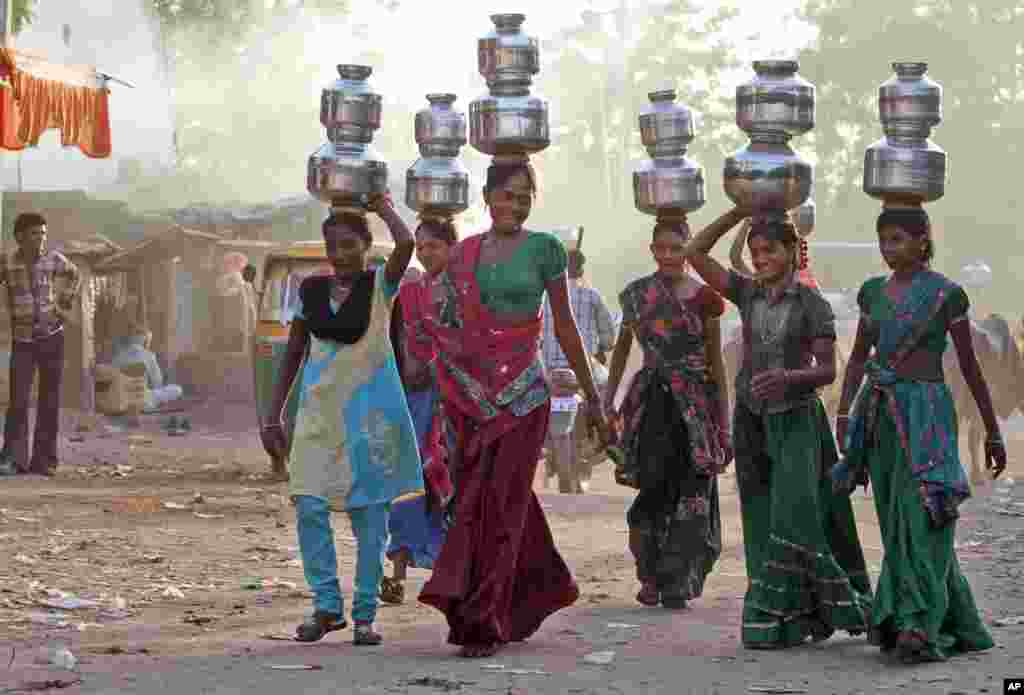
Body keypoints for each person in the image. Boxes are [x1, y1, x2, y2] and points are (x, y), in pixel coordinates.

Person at [418, 159, 609, 658]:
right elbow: (443, 324)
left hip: (525, 397)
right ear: (487, 197)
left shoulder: (546, 250)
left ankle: (483, 621)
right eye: (508, 193)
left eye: (525, 195)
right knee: (478, 504)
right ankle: (532, 593)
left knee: (503, 506)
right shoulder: (463, 255)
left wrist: (593, 393)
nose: (516, 203)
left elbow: (565, 326)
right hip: (472, 401)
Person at [684, 207, 872, 649]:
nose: (760, 258)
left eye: (770, 250)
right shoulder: (748, 294)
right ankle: (780, 622)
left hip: (796, 420)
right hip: (751, 419)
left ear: (792, 251)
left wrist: (788, 377)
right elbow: (695, 251)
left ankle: (830, 609)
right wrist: (741, 210)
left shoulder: (812, 303)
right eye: (755, 251)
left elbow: (827, 370)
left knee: (797, 518)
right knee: (761, 517)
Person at [833, 206, 1004, 664]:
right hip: (881, 418)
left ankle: (917, 625)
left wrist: (992, 430)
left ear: (923, 241)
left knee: (925, 515)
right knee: (896, 522)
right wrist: (846, 411)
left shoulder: (947, 295)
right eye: (885, 241)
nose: (891, 250)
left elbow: (969, 367)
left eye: (899, 240)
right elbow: (855, 359)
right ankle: (936, 617)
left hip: (927, 415)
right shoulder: (872, 294)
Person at [260, 194, 421, 646]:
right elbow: (293, 354)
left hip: (371, 420)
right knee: (309, 506)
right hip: (318, 416)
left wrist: (383, 206)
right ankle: (326, 607)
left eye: (350, 245)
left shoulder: (381, 287)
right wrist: (272, 415)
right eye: (333, 246)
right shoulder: (310, 291)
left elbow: (406, 244)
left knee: (370, 519)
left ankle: (365, 614)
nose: (340, 254)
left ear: (367, 246)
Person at [604, 218, 731, 610]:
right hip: (654, 405)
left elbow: (716, 363)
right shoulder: (637, 295)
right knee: (653, 491)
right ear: (652, 250)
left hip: (695, 408)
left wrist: (723, 424)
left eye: (675, 249)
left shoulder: (705, 298)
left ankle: (679, 580)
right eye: (660, 249)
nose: (667, 257)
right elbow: (622, 351)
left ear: (689, 249)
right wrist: (609, 403)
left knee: (693, 495)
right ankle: (651, 577)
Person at [380, 218, 457, 605]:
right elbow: (405, 353)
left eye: (435, 246)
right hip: (418, 400)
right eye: (422, 246)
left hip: (459, 402)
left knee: (449, 486)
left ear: (452, 249)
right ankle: (396, 571)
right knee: (409, 483)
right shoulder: (410, 294)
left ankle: (452, 572)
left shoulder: (466, 292)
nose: (427, 253)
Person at [0, 213, 81, 477]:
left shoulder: (54, 259)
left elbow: (74, 275)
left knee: (49, 401)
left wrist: (62, 306)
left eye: (44, 233)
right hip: (23, 340)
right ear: (20, 237)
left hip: (52, 337)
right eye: (35, 233)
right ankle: (13, 459)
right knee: (19, 401)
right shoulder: (7, 262)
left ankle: (44, 461)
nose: (41, 238)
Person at [540, 248, 616, 493]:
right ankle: (600, 434)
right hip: (585, 368)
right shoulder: (591, 295)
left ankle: (540, 442)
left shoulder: (543, 296)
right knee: (607, 389)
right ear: (581, 268)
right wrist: (604, 345)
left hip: (550, 368)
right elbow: (609, 336)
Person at [110, 318, 184, 412]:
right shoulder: (149, 356)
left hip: (123, 401)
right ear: (143, 338)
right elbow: (157, 383)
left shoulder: (118, 357)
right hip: (143, 400)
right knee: (177, 389)